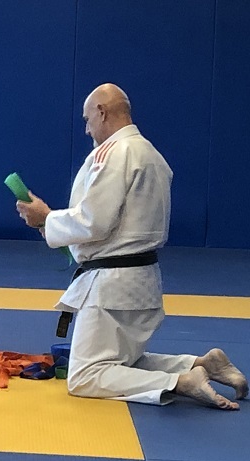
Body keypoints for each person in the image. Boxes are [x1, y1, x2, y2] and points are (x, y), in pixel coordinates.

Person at [17, 83, 248, 409]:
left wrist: (47, 217)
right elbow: (120, 225)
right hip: (142, 282)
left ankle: (180, 381)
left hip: (111, 287)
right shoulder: (152, 154)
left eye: (87, 120)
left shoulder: (113, 152)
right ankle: (199, 365)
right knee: (117, 363)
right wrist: (50, 226)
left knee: (85, 376)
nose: (86, 130)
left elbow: (94, 221)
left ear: (102, 112)